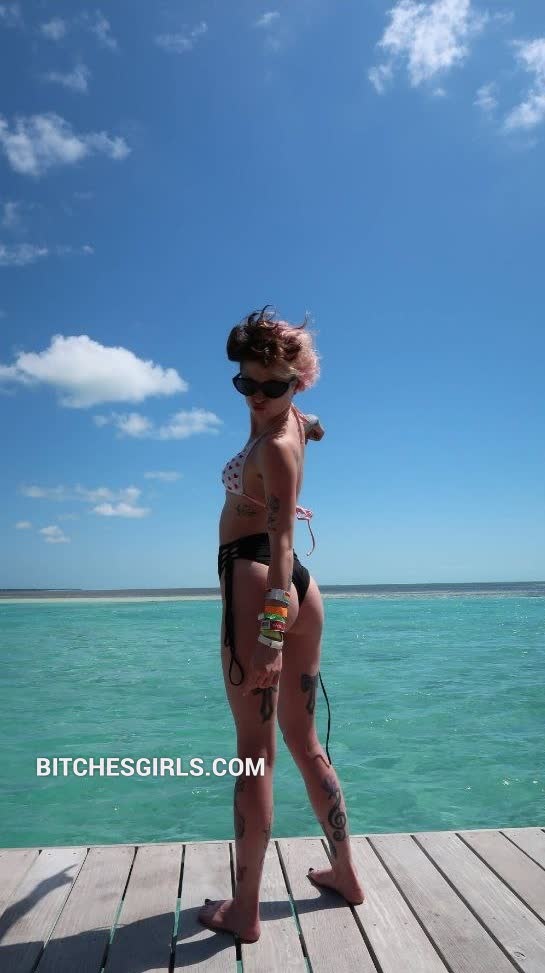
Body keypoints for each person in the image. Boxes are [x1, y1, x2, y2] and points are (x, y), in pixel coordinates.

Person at [198, 305, 365, 944]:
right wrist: (309, 423)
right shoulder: (294, 420)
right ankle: (346, 874)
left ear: (297, 380)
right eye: (248, 382)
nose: (260, 397)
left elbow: (284, 542)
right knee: (304, 740)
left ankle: (244, 912)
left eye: (275, 385)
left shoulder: (273, 445)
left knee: (254, 755)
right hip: (301, 592)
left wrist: (268, 638)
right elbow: (313, 426)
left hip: (261, 582)